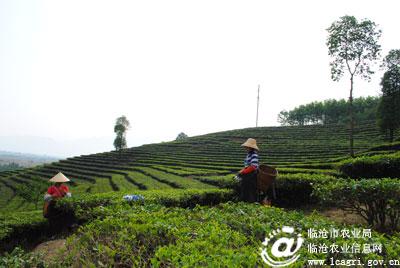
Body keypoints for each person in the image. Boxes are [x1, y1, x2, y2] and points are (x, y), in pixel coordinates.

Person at [237, 138, 260, 202]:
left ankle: (251, 202)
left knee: (250, 190)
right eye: (246, 147)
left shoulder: (254, 155)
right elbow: (247, 165)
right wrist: (242, 171)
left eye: (247, 147)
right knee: (245, 189)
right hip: (247, 174)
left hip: (251, 175)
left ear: (251, 147)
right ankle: (245, 201)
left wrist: (243, 172)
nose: (246, 148)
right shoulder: (249, 154)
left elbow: (253, 166)